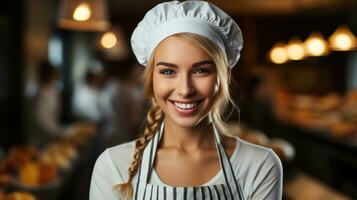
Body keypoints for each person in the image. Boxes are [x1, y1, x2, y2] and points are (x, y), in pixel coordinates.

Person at [90, 1, 283, 200]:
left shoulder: (260, 166)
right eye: (168, 71)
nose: (185, 90)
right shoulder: (113, 166)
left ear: (224, 76)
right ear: (151, 79)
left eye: (201, 71)